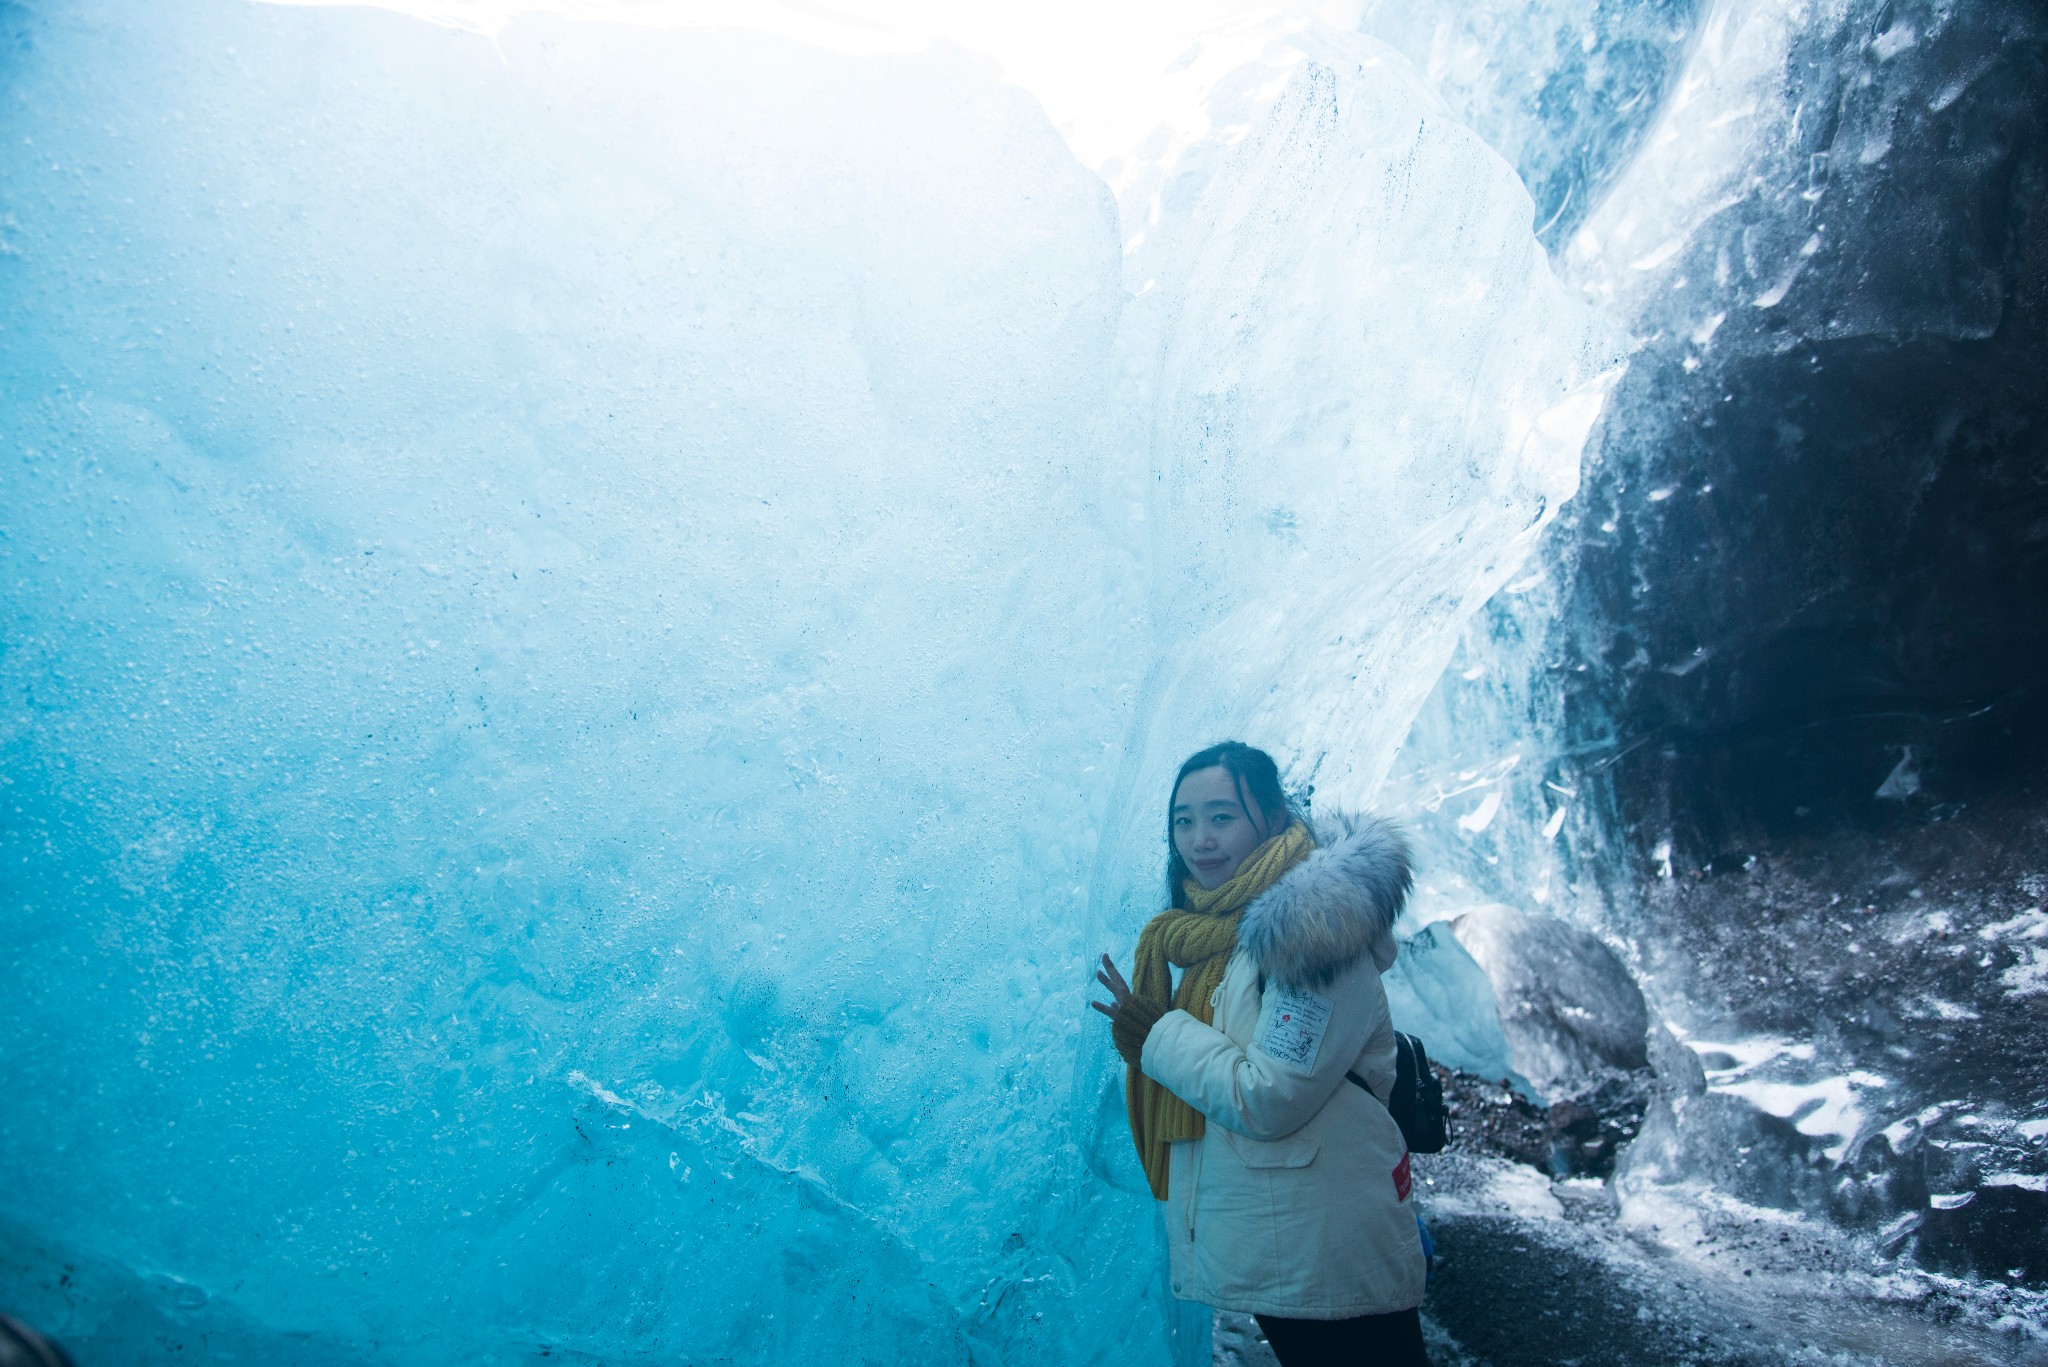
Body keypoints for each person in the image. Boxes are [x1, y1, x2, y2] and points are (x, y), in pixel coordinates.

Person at [1092, 741, 1429, 1367]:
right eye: (1183, 821)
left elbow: (1269, 1094)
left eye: (1223, 816)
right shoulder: (1202, 939)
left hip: (1329, 1248)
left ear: (1272, 820)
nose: (1200, 840)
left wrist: (1158, 1035)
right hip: (1289, 1242)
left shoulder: (1313, 933)